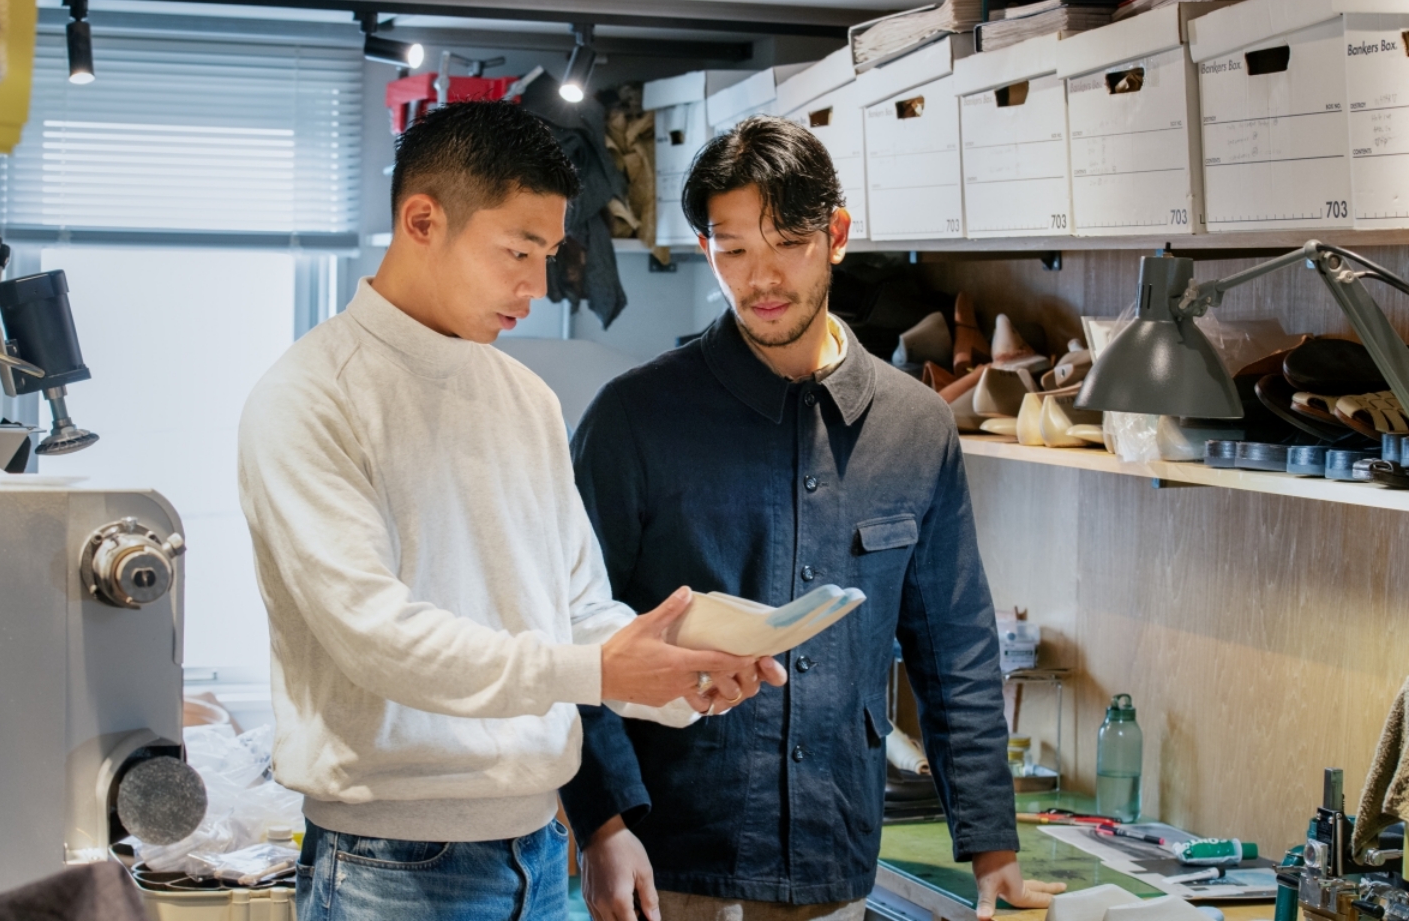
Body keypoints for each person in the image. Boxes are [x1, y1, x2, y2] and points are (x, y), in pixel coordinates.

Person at [237, 101, 784, 921]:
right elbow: (377, 638)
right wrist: (598, 672)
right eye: (518, 252)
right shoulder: (311, 397)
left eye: (549, 255)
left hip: (539, 850)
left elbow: (576, 610)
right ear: (423, 221)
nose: (537, 285)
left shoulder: (526, 399)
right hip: (391, 868)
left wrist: (678, 671)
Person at [561, 116, 1066, 921]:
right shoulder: (633, 419)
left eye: (788, 244)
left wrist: (991, 845)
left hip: (835, 854)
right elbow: (568, 632)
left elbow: (954, 644)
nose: (761, 279)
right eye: (733, 250)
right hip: (672, 859)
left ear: (836, 236)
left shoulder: (916, 425)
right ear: (706, 249)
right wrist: (602, 823)